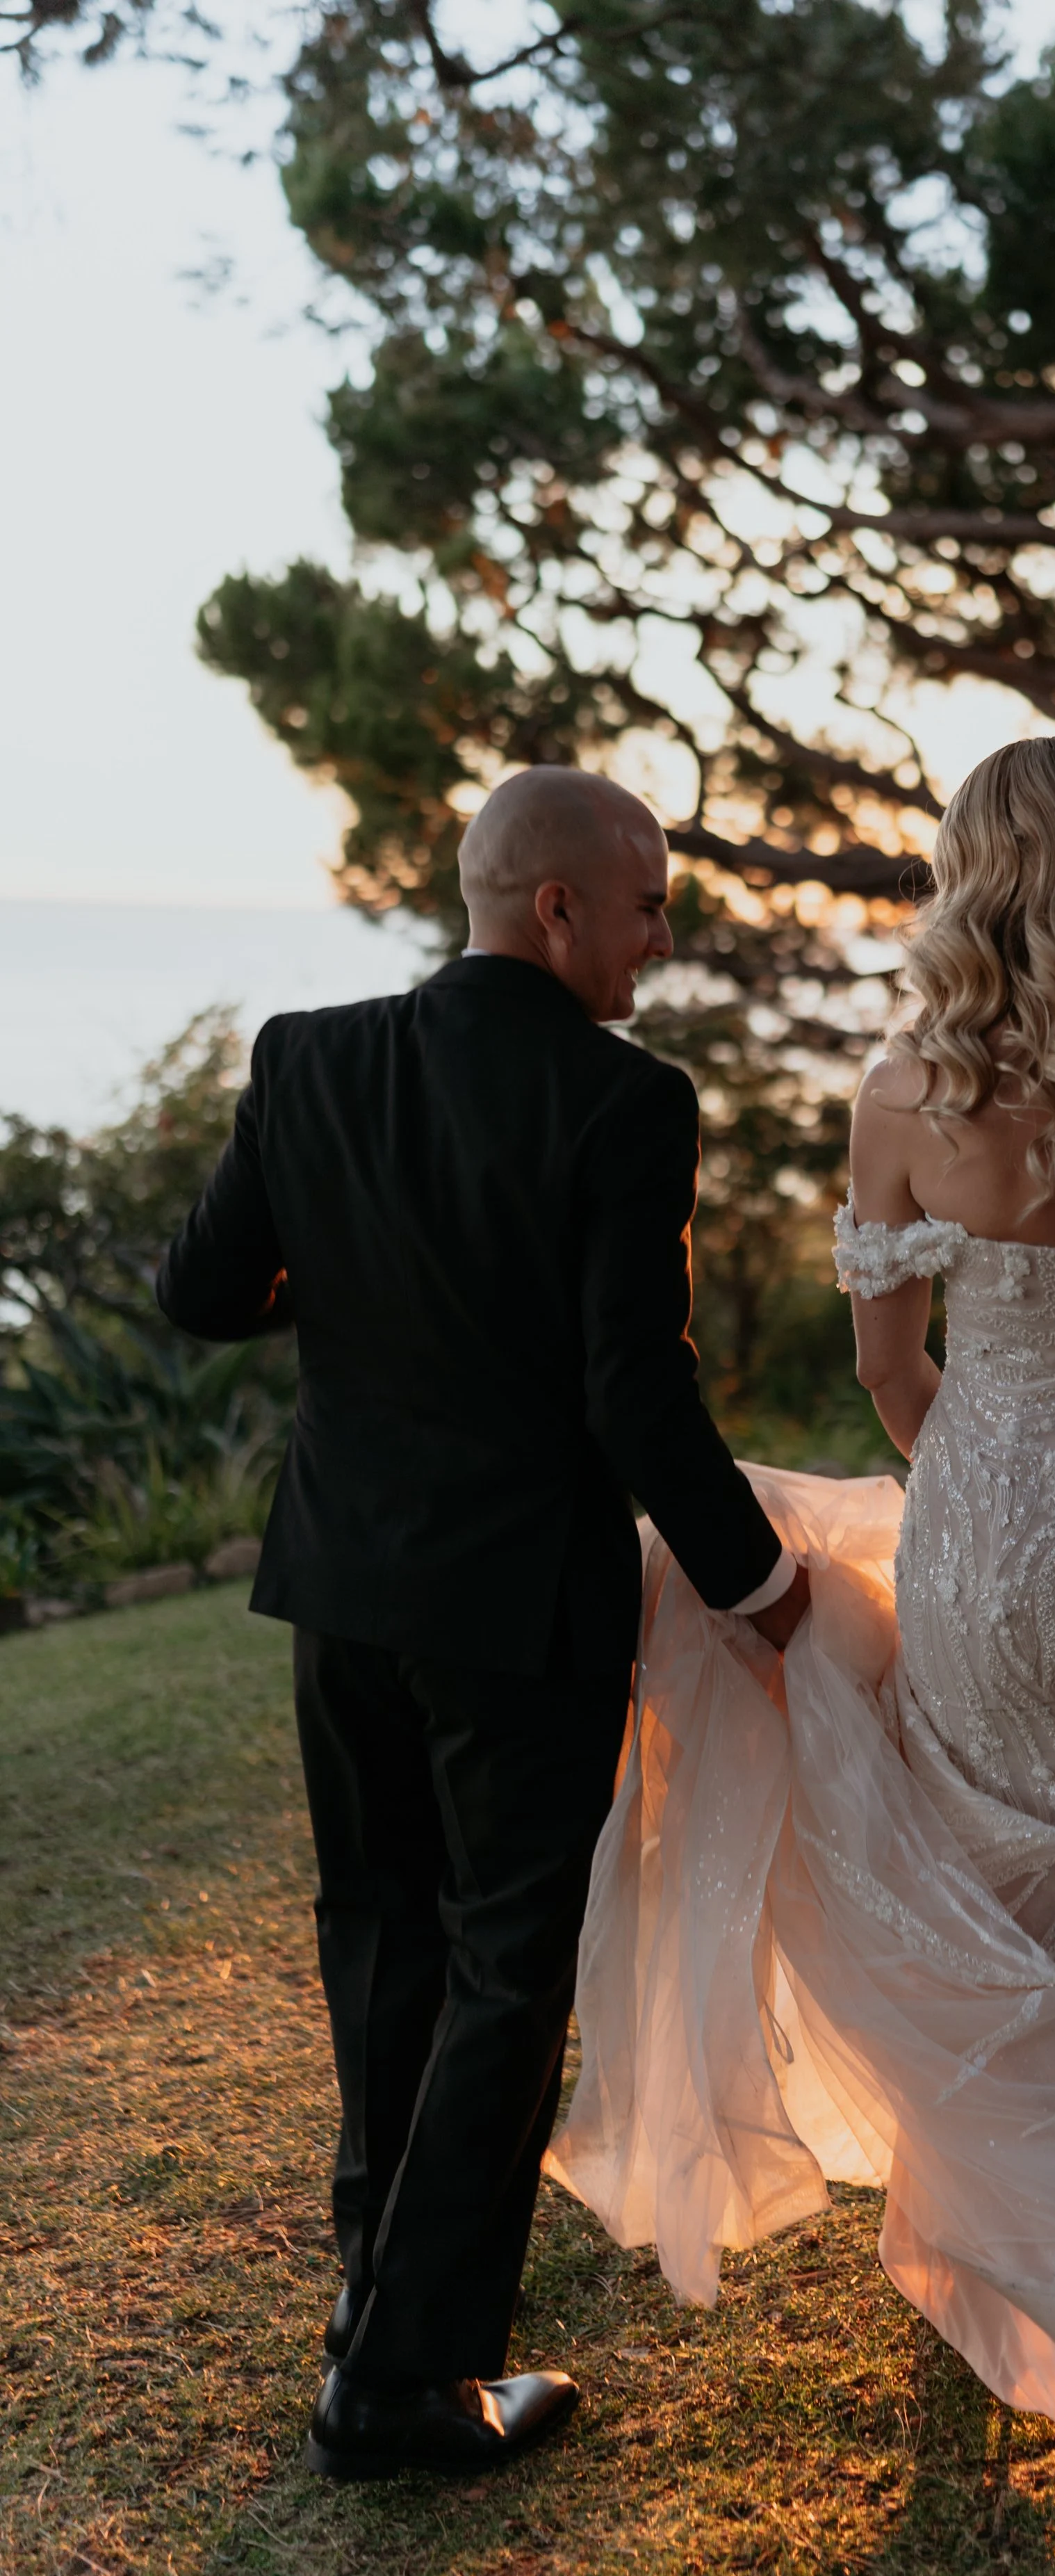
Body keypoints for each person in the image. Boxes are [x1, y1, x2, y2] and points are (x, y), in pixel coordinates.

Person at [551, 736, 1055, 2461]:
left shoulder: (898, 1094)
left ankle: (987, 2255)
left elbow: (885, 1366)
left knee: (991, 1871)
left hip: (988, 1522)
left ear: (964, 877)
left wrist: (987, 1483)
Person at [156, 767, 809, 2483]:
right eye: (652, 902)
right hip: (516, 1612)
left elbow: (208, 1292)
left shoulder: (306, 1057)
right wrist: (759, 1584)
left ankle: (376, 2298)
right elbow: (631, 1393)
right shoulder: (624, 1101)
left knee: (380, 1939)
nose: (665, 933)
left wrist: (360, 1270)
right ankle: (403, 2380)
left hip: (342, 1589)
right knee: (509, 1975)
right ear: (559, 911)